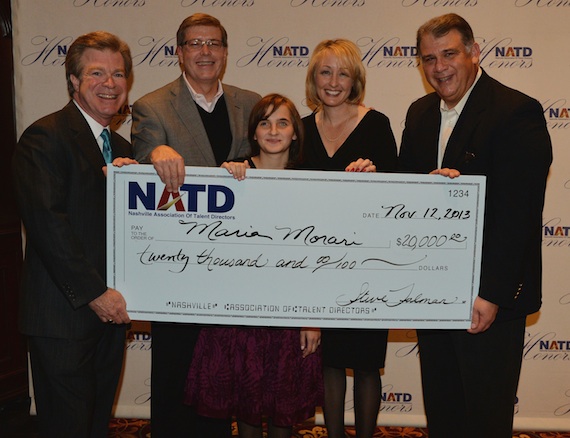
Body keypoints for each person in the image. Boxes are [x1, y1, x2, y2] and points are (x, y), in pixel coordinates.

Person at [398, 13, 552, 438]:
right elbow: (404, 196)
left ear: (474, 52)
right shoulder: (420, 112)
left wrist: (491, 293)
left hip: (487, 300)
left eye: (449, 54)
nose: (439, 67)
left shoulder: (516, 111)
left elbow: (518, 216)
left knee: (485, 418)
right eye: (428, 58)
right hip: (430, 293)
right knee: (444, 413)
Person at [131, 12, 261, 438]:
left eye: (213, 44)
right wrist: (156, 153)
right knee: (175, 374)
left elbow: (272, 165)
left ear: (224, 52)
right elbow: (143, 159)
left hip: (235, 269)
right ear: (179, 52)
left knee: (221, 377)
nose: (205, 52)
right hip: (177, 270)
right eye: (194, 44)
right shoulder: (152, 106)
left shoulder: (251, 102)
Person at [12, 31, 136, 437]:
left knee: (96, 424)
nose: (110, 83)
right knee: (67, 427)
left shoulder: (118, 146)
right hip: (64, 317)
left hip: (109, 317)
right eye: (96, 73)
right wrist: (94, 294)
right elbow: (48, 225)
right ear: (73, 81)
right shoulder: (45, 137)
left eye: (118, 74)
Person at [185, 93, 323, 438]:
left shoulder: (316, 185)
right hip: (238, 317)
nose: (273, 130)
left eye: (283, 122)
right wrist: (223, 177)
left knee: (283, 417)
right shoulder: (232, 175)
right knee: (245, 410)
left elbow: (319, 260)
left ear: (296, 133)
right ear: (254, 132)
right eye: (264, 123)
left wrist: (312, 317)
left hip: (291, 316)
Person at [302, 39, 398, 438]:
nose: (334, 81)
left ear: (356, 79)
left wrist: (375, 178)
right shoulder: (300, 129)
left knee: (364, 361)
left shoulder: (377, 124)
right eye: (326, 72)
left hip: (367, 266)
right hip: (315, 264)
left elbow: (399, 195)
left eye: (344, 73)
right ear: (314, 78)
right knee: (328, 360)